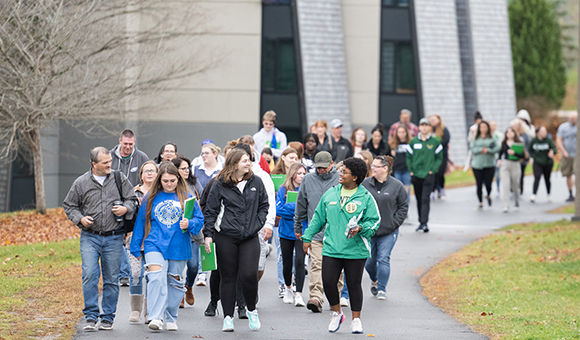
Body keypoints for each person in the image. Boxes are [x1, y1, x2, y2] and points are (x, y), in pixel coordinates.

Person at [301, 157, 380, 334]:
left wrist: (361, 228)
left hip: (355, 250)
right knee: (328, 282)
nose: (340, 174)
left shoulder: (366, 197)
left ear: (355, 177)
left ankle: (356, 319)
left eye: (344, 172)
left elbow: (374, 222)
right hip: (331, 247)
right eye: (340, 170)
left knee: (353, 284)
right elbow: (317, 218)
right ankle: (337, 313)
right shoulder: (331, 193)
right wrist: (307, 237)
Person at [63, 147, 137, 331]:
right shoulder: (81, 183)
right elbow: (69, 205)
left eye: (110, 162)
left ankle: (108, 318)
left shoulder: (119, 178)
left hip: (114, 237)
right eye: (105, 163)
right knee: (89, 275)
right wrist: (80, 219)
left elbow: (132, 199)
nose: (109, 165)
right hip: (90, 237)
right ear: (94, 164)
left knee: (112, 279)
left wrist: (125, 209)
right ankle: (90, 316)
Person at [130, 162, 204, 331]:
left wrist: (189, 223)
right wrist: (135, 246)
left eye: (172, 180)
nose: (169, 184)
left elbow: (199, 221)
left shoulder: (187, 197)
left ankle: (171, 316)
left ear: (178, 179)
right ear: (159, 180)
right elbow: (141, 222)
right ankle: (155, 317)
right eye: (165, 181)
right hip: (154, 243)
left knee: (175, 282)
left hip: (178, 245)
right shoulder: (150, 198)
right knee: (156, 278)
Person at [202, 149, 270, 332]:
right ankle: (228, 318)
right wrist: (208, 235)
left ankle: (251, 310)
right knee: (228, 277)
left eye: (248, 160)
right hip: (225, 236)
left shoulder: (256, 181)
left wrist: (257, 223)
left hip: (249, 236)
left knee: (249, 275)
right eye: (244, 161)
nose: (248, 163)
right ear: (233, 164)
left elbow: (264, 205)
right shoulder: (219, 184)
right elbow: (211, 211)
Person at [293, 151, 340, 313]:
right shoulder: (308, 179)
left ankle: (336, 295)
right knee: (317, 265)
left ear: (332, 164)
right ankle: (316, 297)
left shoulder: (340, 178)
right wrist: (298, 227)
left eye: (324, 167)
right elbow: (301, 205)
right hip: (316, 232)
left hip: (337, 233)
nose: (321, 170)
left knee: (336, 268)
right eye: (318, 167)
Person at [362, 155, 408, 300]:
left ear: (385, 168)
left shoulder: (397, 185)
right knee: (369, 261)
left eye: (375, 166)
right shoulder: (365, 184)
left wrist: (394, 224)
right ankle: (374, 280)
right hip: (369, 230)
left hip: (388, 230)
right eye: (372, 166)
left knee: (383, 258)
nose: (372, 168)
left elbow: (403, 206)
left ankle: (382, 289)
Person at [110, 129, 149, 287]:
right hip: (115, 202)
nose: (127, 147)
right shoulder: (110, 157)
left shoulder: (141, 157)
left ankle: (141, 268)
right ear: (120, 141)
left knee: (134, 236)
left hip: (134, 203)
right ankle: (124, 273)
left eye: (131, 144)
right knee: (118, 236)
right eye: (125, 144)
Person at [127, 161, 158, 323]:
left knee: (152, 276)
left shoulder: (161, 193)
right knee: (135, 274)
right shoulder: (133, 193)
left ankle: (149, 311)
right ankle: (135, 310)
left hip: (155, 240)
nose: (150, 174)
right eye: (146, 171)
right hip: (134, 240)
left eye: (153, 171)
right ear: (141, 175)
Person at [172, 156, 205, 307]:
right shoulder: (170, 185)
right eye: (183, 168)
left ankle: (188, 287)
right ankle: (178, 293)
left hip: (193, 232)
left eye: (188, 168)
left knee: (193, 265)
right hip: (176, 232)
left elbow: (204, 200)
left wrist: (198, 207)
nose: (187, 171)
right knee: (177, 266)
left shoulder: (194, 183)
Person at [276, 162, 308, 307]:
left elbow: (308, 210)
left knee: (300, 262)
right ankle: (288, 288)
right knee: (287, 263)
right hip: (285, 232)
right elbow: (279, 210)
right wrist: (297, 209)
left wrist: (291, 208)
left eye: (304, 173)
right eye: (299, 173)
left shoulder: (306, 189)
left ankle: (299, 294)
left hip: (302, 231)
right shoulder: (283, 189)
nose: (301, 176)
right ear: (293, 174)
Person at [407, 118, 443, 232]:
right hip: (416, 174)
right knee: (418, 198)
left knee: (425, 198)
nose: (424, 127)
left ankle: (424, 223)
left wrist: (433, 169)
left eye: (426, 125)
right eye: (422, 125)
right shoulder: (413, 142)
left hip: (428, 174)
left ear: (429, 127)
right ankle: (420, 222)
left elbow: (439, 158)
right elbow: (408, 157)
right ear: (419, 127)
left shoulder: (434, 142)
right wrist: (411, 170)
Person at [470, 121, 501, 208]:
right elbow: (472, 148)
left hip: (489, 164)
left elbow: (497, 147)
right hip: (477, 164)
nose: (483, 129)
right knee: (479, 183)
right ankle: (480, 201)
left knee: (488, 182)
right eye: (481, 127)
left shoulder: (492, 138)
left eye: (485, 127)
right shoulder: (475, 138)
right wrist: (481, 149)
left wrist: (488, 150)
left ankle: (488, 194)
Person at [498, 127, 526, 213]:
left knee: (515, 184)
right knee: (505, 185)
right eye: (507, 132)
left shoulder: (518, 143)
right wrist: (499, 160)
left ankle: (516, 202)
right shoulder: (504, 143)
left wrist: (514, 153)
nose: (509, 134)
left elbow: (523, 156)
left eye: (511, 132)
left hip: (515, 164)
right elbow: (500, 152)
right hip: (506, 164)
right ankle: (505, 205)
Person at [529, 126, 557, 203]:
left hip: (548, 162)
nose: (544, 133)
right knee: (537, 177)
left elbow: (554, 149)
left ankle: (548, 194)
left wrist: (552, 152)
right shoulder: (534, 141)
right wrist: (534, 157)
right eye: (542, 131)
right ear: (538, 133)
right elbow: (530, 150)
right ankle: (534, 194)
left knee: (547, 178)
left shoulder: (549, 140)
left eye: (545, 131)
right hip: (537, 162)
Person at [556, 111, 577, 202]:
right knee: (568, 174)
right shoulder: (563, 127)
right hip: (567, 155)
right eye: (570, 119)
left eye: (573, 119)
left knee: (578, 174)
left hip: (577, 155)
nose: (571, 120)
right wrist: (563, 151)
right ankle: (570, 193)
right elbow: (559, 140)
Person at [429, 115, 450, 200]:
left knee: (440, 172)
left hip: (441, 155)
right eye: (431, 120)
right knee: (432, 173)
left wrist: (435, 145)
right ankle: (432, 190)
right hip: (431, 156)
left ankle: (441, 188)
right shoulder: (428, 130)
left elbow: (445, 140)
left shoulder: (444, 130)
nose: (432, 121)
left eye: (434, 119)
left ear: (438, 120)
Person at [389, 125, 412, 203]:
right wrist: (393, 155)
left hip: (407, 170)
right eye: (399, 132)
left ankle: (405, 210)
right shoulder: (393, 144)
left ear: (406, 133)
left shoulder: (410, 143)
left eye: (403, 132)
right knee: (398, 192)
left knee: (406, 192)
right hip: (397, 170)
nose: (401, 134)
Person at [511, 119, 531, 195]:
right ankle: (513, 189)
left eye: (515, 126)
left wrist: (528, 157)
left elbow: (528, 146)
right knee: (512, 175)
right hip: (513, 158)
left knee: (520, 175)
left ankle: (520, 190)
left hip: (522, 158)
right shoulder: (510, 134)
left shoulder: (525, 136)